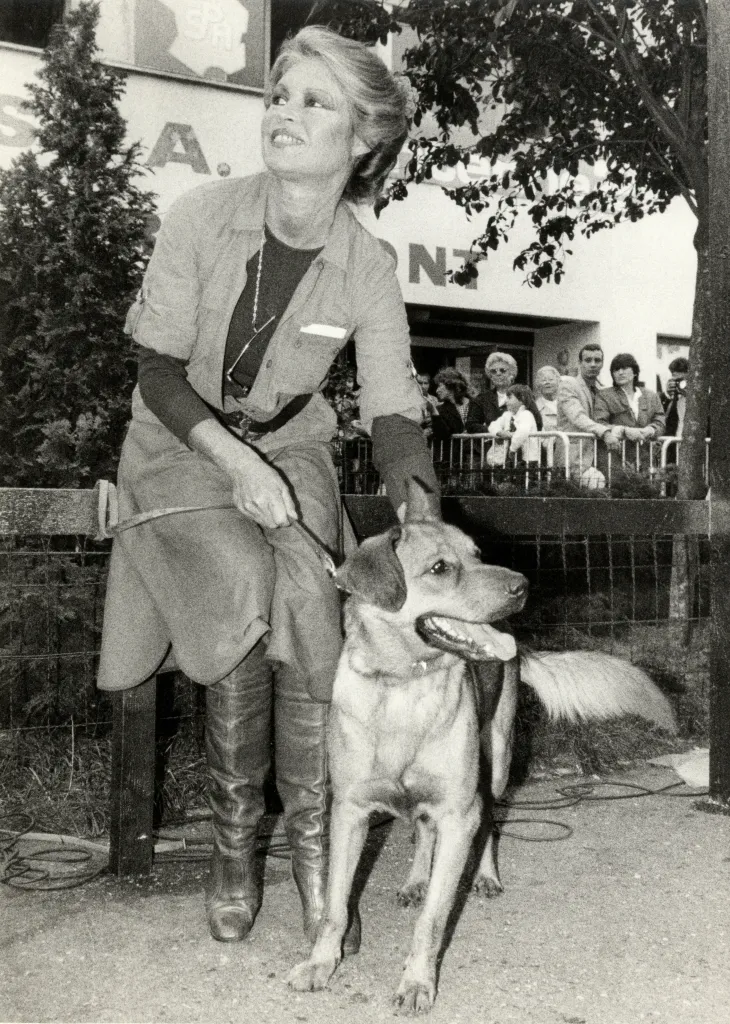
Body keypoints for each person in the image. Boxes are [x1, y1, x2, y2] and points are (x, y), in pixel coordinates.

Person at [97, 26, 439, 949]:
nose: (283, 113)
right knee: (248, 580)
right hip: (177, 448)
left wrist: (426, 525)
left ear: (363, 140)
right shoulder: (200, 218)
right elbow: (158, 371)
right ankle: (234, 846)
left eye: (313, 102)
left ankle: (313, 859)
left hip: (293, 453)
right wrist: (236, 465)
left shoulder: (369, 268)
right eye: (279, 94)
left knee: (311, 606)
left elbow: (394, 415)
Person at [556, 343, 621, 477]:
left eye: (597, 360)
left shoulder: (603, 389)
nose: (593, 364)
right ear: (580, 363)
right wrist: (605, 433)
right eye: (588, 360)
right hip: (574, 458)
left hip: (600, 458)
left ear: (602, 363)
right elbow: (578, 417)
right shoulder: (568, 385)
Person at [594, 353, 665, 472]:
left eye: (625, 368)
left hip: (645, 459)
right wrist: (624, 430)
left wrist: (651, 430)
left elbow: (660, 421)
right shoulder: (604, 395)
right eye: (616, 369)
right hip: (615, 458)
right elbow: (599, 423)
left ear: (635, 372)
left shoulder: (651, 396)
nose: (620, 372)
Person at [487, 384, 543, 468]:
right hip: (510, 457)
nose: (506, 401)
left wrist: (512, 448)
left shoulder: (526, 415)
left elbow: (522, 432)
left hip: (527, 458)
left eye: (509, 398)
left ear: (521, 399)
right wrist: (499, 432)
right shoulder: (507, 415)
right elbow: (493, 425)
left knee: (524, 477)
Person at [468, 351, 518, 431]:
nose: (498, 374)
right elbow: (471, 425)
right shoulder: (481, 399)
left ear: (511, 373)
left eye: (503, 370)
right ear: (490, 376)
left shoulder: (522, 396)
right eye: (493, 371)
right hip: (489, 442)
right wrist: (493, 431)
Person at [430, 367, 474, 443]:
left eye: (440, 386)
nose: (437, 390)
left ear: (451, 385)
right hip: (455, 452)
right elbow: (443, 434)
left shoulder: (476, 404)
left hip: (478, 452)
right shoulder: (440, 410)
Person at [662, 356, 688, 438]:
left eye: (680, 380)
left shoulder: (697, 399)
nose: (678, 385)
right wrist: (668, 396)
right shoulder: (670, 399)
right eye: (675, 381)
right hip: (673, 440)